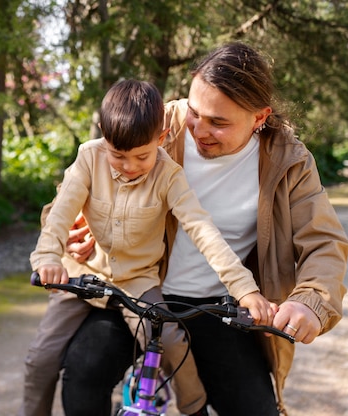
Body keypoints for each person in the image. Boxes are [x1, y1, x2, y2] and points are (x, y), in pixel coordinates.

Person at [59, 42, 348, 416]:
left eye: (219, 122)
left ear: (259, 117)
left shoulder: (288, 160)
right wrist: (75, 227)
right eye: (195, 113)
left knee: (256, 409)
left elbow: (324, 242)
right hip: (137, 289)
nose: (200, 129)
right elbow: (81, 181)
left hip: (219, 308)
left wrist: (309, 301)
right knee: (82, 372)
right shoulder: (159, 124)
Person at [20, 79, 276, 416]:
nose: (128, 166)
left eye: (141, 156)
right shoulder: (88, 157)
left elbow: (204, 232)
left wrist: (245, 291)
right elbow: (60, 215)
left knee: (170, 340)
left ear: (161, 138)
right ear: (103, 135)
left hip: (137, 281)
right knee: (40, 360)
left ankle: (193, 408)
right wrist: (48, 258)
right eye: (117, 155)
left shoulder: (170, 175)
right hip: (81, 277)